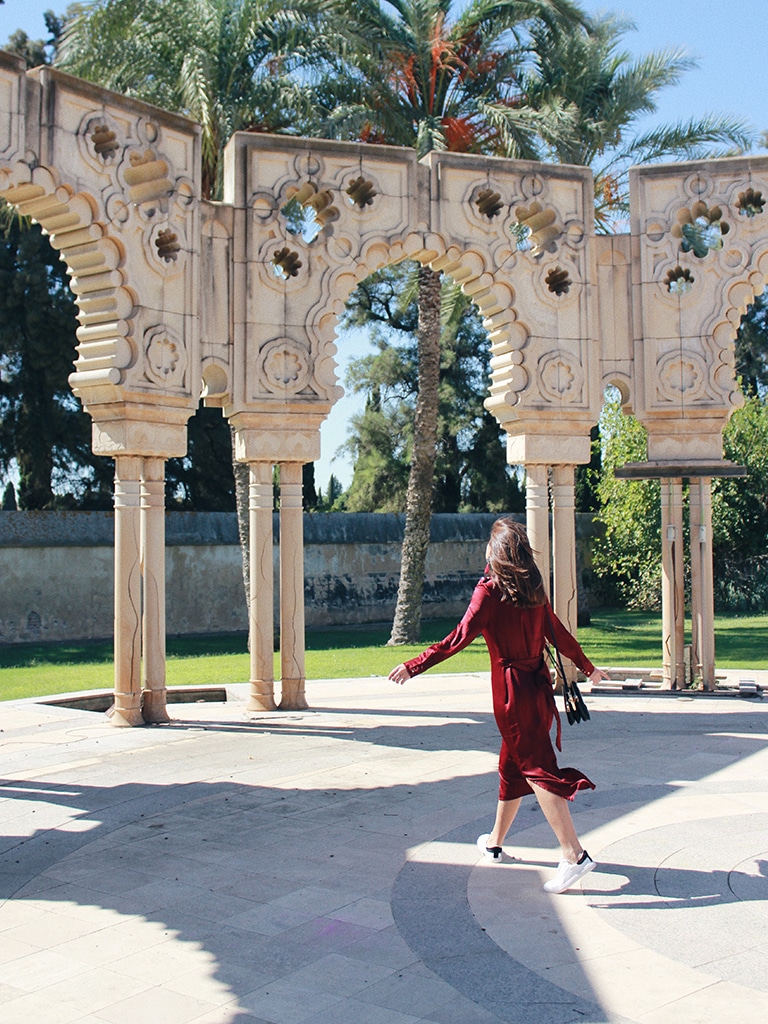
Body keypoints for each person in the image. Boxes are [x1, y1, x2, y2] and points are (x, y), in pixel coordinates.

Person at [389, 516, 609, 894]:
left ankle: (575, 855)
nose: (485, 552)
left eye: (489, 546)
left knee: (538, 770)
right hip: (537, 691)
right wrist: (587, 667)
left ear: (497, 552)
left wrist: (413, 665)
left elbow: (456, 638)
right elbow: (557, 633)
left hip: (511, 696)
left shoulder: (489, 592)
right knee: (512, 768)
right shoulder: (533, 590)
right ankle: (494, 843)